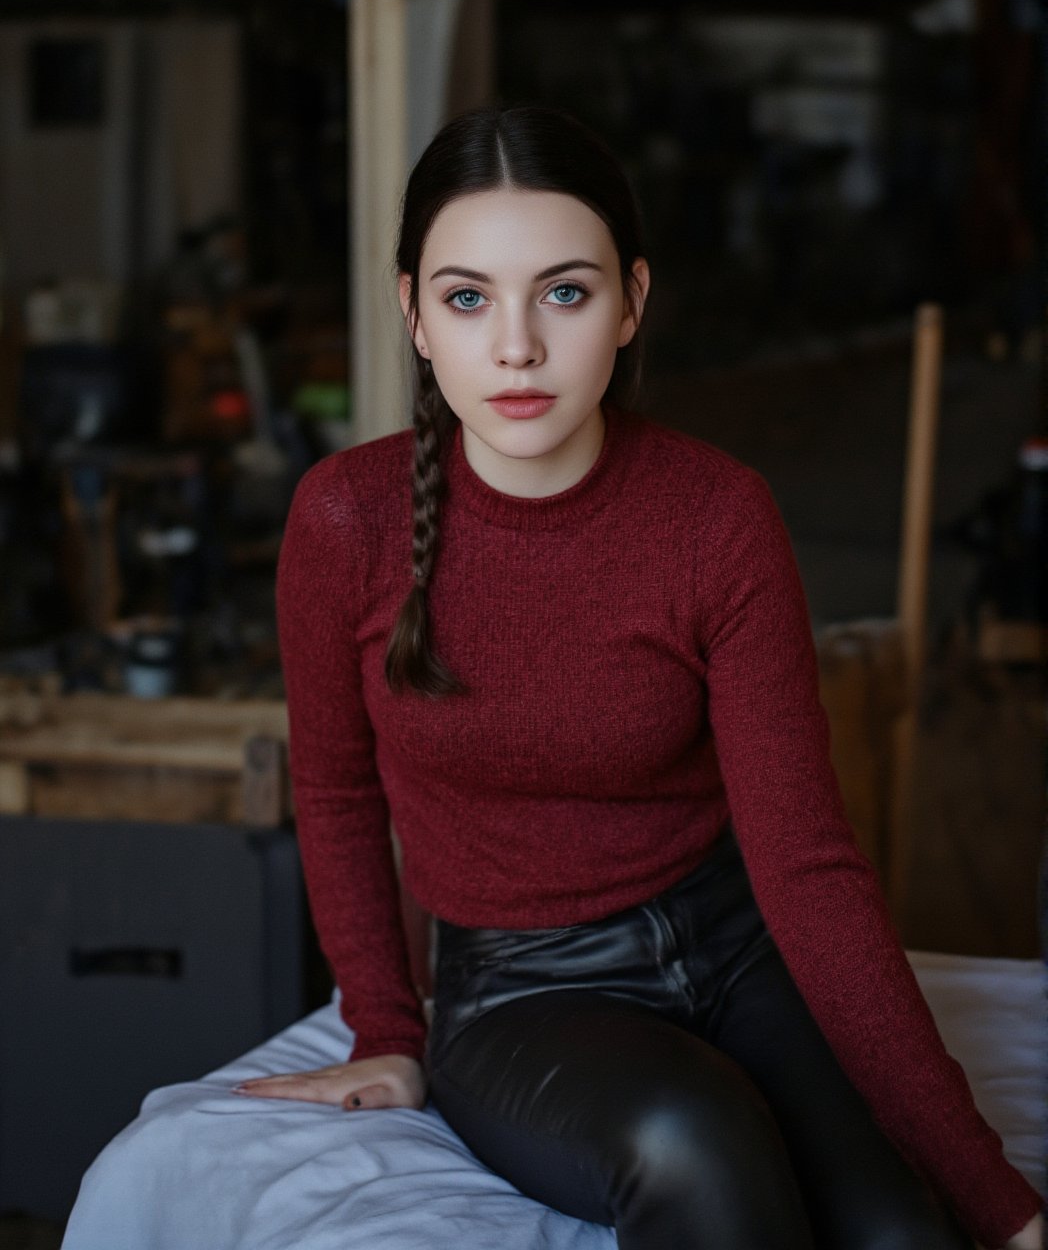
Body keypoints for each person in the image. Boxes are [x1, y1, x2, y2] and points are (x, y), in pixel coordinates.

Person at [237, 106, 1044, 1249]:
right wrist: (385, 1026)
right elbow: (332, 789)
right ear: (414, 313)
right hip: (523, 994)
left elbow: (806, 868)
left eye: (563, 292)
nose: (515, 346)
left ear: (632, 304)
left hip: (737, 949)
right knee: (691, 1141)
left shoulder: (716, 516)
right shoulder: (345, 518)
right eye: (469, 298)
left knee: (901, 1231)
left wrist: (1000, 1202)